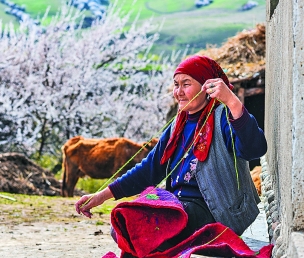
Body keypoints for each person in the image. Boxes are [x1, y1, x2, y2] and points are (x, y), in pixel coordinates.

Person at [75, 55, 267, 246]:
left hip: (214, 212)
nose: (179, 92)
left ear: (206, 87)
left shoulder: (223, 117)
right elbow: (149, 169)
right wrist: (100, 196)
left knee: (154, 228)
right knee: (124, 223)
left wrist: (232, 102)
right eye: (176, 85)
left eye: (186, 84)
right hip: (180, 206)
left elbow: (254, 149)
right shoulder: (178, 125)